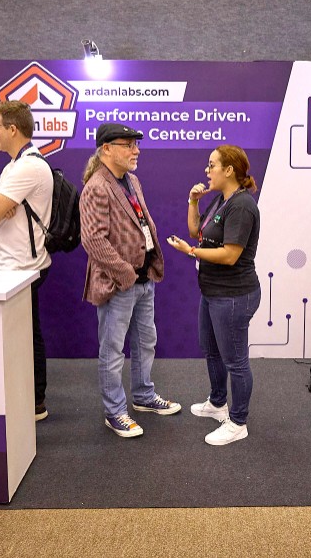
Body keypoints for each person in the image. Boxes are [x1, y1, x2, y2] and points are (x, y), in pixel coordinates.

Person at [80, 123, 180, 438]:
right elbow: (93, 241)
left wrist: (147, 267)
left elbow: (140, 223)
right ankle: (115, 412)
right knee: (113, 351)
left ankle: (144, 395)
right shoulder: (97, 186)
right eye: (128, 145)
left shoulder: (131, 180)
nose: (136, 150)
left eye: (136, 145)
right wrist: (126, 273)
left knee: (144, 342)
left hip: (144, 278)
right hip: (119, 282)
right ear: (105, 148)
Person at [168, 145, 261, 446]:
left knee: (235, 361)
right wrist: (193, 201)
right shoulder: (221, 200)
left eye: (212, 166)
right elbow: (196, 230)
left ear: (229, 170)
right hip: (212, 291)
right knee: (212, 349)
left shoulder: (242, 206)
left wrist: (191, 252)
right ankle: (218, 402)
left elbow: (231, 255)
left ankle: (238, 421)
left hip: (234, 295)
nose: (207, 172)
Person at [0, 101, 54, 422]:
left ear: (12, 129)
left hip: (23, 269)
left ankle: (34, 402)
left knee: (26, 337)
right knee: (21, 336)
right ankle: (30, 399)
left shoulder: (27, 167)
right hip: (15, 266)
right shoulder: (15, 165)